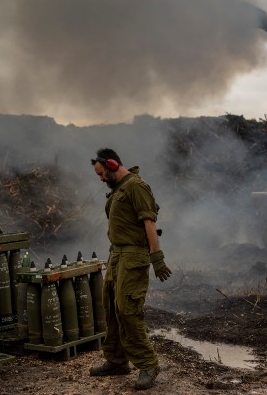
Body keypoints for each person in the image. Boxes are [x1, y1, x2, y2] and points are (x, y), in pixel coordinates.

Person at [88, 148, 172, 390]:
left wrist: (157, 258)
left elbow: (149, 223)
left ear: (113, 165)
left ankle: (148, 364)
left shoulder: (136, 186)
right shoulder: (118, 190)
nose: (101, 179)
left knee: (128, 310)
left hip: (133, 255)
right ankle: (116, 361)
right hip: (117, 254)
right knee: (111, 308)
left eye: (102, 173)